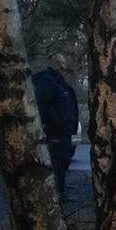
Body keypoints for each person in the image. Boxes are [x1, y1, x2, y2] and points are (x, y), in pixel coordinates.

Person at [31, 53, 80, 202]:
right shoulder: (47, 82)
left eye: (63, 63)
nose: (62, 66)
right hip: (54, 132)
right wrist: (48, 123)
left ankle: (60, 192)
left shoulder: (60, 82)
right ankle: (55, 195)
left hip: (64, 132)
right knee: (57, 163)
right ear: (50, 63)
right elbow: (41, 105)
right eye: (58, 63)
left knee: (63, 162)